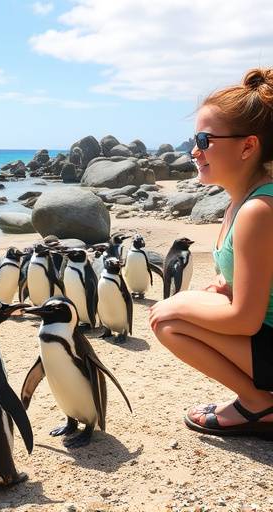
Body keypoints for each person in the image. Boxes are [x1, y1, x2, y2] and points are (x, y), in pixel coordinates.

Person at [149, 68, 273, 438]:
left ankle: (257, 405)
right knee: (176, 312)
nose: (194, 150)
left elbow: (245, 321)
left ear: (247, 146)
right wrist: (224, 282)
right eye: (194, 138)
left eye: (204, 139)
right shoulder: (242, 202)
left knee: (167, 321)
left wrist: (179, 303)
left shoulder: (257, 210)